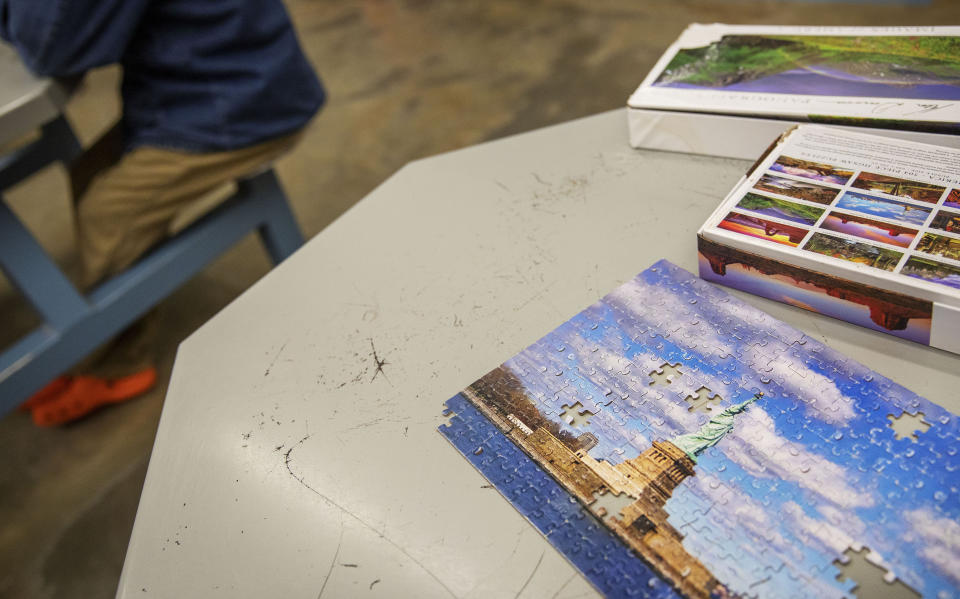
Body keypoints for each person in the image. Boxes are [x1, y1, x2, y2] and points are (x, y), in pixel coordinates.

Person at [1, 0, 325, 425]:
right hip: (204, 84)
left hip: (241, 102)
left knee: (109, 212)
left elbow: (51, 47)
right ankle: (119, 350)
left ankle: (104, 363)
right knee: (91, 171)